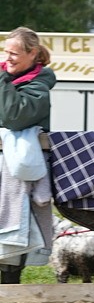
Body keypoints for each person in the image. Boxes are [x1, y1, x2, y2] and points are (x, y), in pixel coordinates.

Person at [0, 28, 55, 284]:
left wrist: (1, 79)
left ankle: (9, 286)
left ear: (33, 53)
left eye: (14, 53)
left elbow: (15, 117)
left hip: (17, 175)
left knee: (15, 227)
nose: (7, 58)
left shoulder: (38, 86)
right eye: (5, 52)